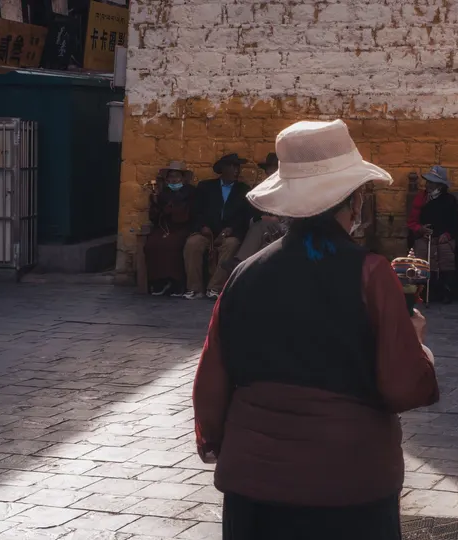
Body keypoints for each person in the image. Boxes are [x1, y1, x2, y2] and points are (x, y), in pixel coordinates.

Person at [193, 120, 439, 540]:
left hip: (253, 485)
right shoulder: (371, 273)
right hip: (348, 482)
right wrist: (418, 347)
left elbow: (211, 379)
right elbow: (403, 386)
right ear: (355, 201)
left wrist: (216, 441)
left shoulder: (244, 274)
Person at [183, 153, 252, 300]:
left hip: (229, 233)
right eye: (232, 166)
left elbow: (244, 216)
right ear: (223, 169)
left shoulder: (243, 189)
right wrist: (202, 226)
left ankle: (215, 287)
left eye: (237, 167)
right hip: (206, 231)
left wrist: (230, 229)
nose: (236, 170)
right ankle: (194, 288)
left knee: (231, 244)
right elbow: (196, 210)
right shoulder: (205, 187)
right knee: (192, 244)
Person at [219, 153, 288, 276]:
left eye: (273, 169)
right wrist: (261, 217)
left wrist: (275, 219)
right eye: (268, 170)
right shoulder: (261, 189)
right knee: (260, 233)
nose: (270, 173)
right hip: (265, 229)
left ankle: (239, 262)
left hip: (285, 226)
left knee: (260, 227)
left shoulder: (288, 188)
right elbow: (251, 214)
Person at [406, 165, 458, 303]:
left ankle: (446, 290)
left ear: (440, 185)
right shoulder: (421, 198)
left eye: (432, 182)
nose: (428, 185)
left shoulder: (450, 200)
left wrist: (447, 235)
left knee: (445, 253)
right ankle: (424, 290)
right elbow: (412, 222)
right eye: (428, 181)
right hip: (425, 236)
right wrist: (420, 229)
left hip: (444, 237)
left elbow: (455, 224)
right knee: (423, 251)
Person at [143, 161, 195, 296]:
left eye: (177, 176)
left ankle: (176, 282)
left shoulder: (190, 192)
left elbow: (189, 214)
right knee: (152, 244)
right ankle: (159, 282)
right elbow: (155, 216)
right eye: (171, 176)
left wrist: (172, 209)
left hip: (182, 227)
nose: (174, 179)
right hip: (164, 227)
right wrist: (155, 202)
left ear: (183, 178)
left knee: (172, 245)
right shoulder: (163, 193)